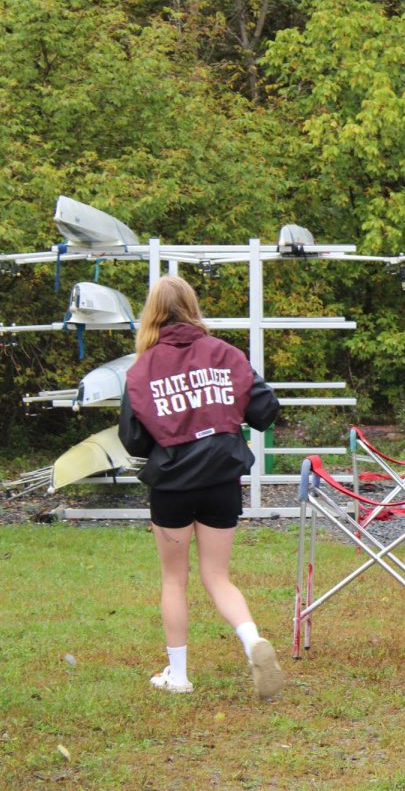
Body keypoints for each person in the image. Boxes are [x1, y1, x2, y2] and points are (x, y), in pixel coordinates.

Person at [119, 275, 284, 699]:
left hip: (172, 483)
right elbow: (266, 410)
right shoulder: (226, 354)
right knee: (218, 576)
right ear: (193, 308)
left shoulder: (141, 370)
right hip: (221, 477)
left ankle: (178, 675)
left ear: (151, 313)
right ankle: (252, 642)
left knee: (174, 580)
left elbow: (133, 440)